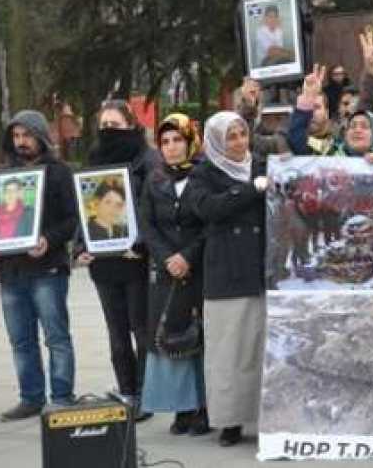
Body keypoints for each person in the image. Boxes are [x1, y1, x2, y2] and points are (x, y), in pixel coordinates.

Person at [186, 111, 268, 447]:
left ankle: (268, 417)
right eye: (230, 136)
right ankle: (230, 421)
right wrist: (250, 190)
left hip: (261, 268)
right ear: (216, 141)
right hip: (227, 273)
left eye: (242, 134)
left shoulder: (261, 164)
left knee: (262, 350)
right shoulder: (203, 174)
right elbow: (209, 209)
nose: (238, 142)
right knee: (227, 353)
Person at [76, 100, 160, 421]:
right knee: (115, 330)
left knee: (140, 328)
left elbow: (152, 206)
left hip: (135, 259)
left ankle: (146, 392)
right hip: (104, 262)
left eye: (115, 124)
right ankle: (127, 390)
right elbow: (85, 209)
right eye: (104, 125)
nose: (109, 131)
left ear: (130, 124)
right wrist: (80, 245)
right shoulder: (95, 159)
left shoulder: (147, 159)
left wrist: (138, 242)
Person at [0, 110, 78, 421]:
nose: (21, 142)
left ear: (41, 135)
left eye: (26, 135)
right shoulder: (5, 175)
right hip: (11, 272)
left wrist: (49, 240)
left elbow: (73, 219)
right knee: (20, 339)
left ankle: (62, 396)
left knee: (56, 336)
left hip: (48, 269)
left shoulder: (59, 172)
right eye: (15, 136)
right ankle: (30, 397)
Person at [140, 113, 210, 436]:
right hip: (166, 273)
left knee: (200, 339)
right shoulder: (154, 180)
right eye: (165, 141)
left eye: (178, 140)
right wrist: (168, 257)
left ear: (190, 140)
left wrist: (187, 256)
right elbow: (148, 225)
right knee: (172, 340)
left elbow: (210, 223)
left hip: (199, 271)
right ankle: (182, 408)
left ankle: (205, 408)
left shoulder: (206, 176)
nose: (171, 147)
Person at [282, 64, 335, 156]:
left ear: (327, 112)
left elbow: (325, 148)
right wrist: (306, 101)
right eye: (308, 107)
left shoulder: (339, 140)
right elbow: (298, 139)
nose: (310, 112)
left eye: (316, 107)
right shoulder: (285, 139)